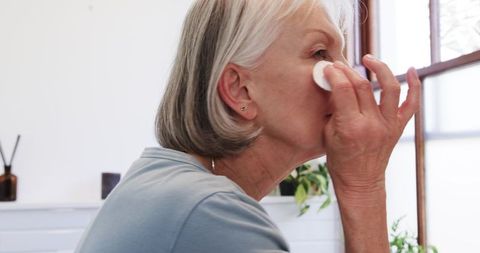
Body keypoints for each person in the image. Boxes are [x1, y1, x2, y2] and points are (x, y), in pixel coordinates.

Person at [75, 0, 421, 252]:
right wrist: (364, 185)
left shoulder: (161, 180)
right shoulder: (211, 213)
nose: (347, 76)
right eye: (320, 54)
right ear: (240, 90)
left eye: (342, 55)